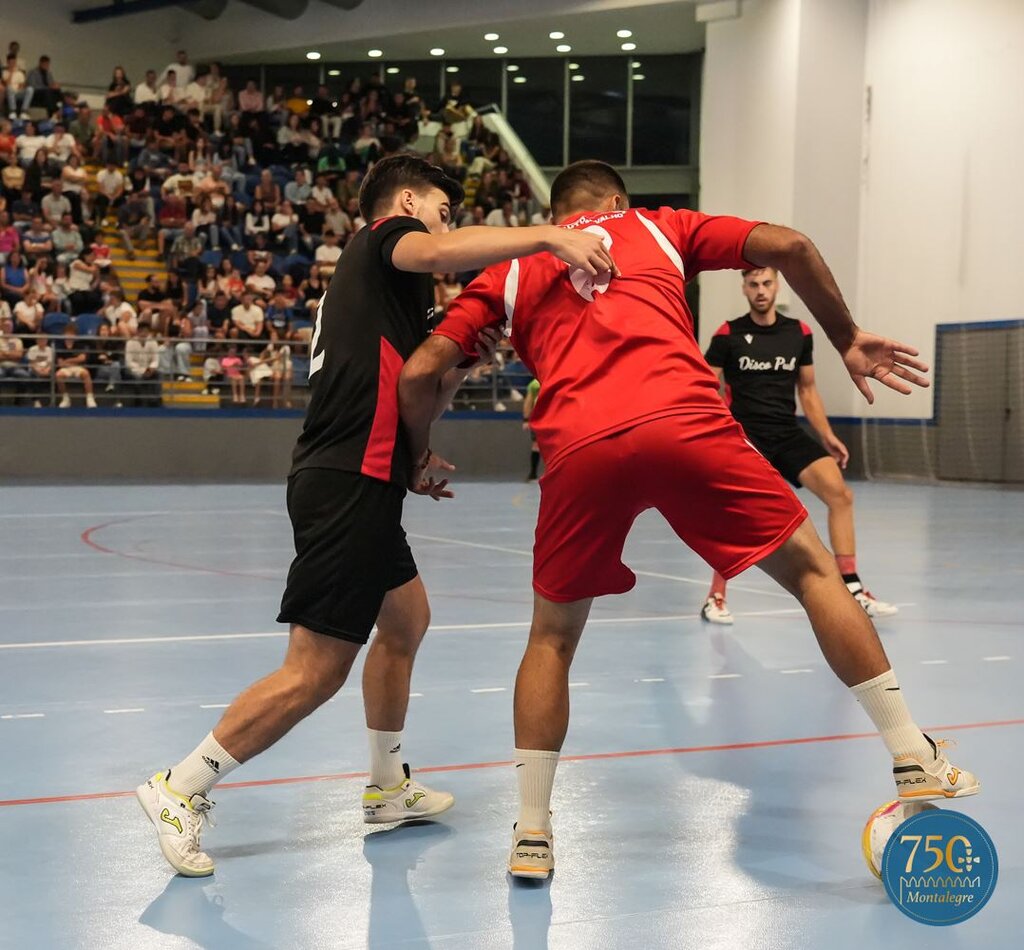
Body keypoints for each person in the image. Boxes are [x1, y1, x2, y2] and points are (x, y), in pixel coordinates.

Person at [397, 160, 980, 880]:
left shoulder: (512, 267)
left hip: (580, 449)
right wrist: (847, 334)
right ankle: (911, 755)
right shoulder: (658, 225)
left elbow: (421, 371)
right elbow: (792, 245)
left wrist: (419, 451)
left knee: (551, 638)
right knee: (811, 571)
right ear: (617, 201)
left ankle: (533, 833)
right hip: (684, 422)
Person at [135, 154, 613, 878]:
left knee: (406, 618)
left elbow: (420, 381)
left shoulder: (397, 293)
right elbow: (444, 249)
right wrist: (548, 235)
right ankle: (180, 787)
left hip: (367, 476)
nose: (446, 227)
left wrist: (432, 428)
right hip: (345, 480)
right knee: (315, 670)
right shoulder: (385, 236)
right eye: (443, 210)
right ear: (409, 201)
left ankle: (387, 787)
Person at [700, 266, 897, 623]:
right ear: (744, 289)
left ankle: (851, 586)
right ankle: (716, 597)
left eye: (767, 283)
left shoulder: (799, 333)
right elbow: (704, 386)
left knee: (840, 495)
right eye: (753, 284)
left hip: (787, 433)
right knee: (737, 514)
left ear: (777, 286)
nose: (761, 290)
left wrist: (827, 436)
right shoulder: (728, 334)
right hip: (745, 435)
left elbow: (807, 390)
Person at [54, 323, 98, 409]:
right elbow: (60, 363)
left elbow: (82, 358)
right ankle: (65, 398)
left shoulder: (80, 345)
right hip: (66, 368)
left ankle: (89, 397)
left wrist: (68, 360)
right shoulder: (60, 346)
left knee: (86, 373)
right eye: (68, 333)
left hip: (78, 367)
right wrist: (74, 360)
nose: (69, 336)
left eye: (72, 334)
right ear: (64, 334)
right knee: (58, 375)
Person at [522, 378, 541, 481]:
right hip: (538, 418)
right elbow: (528, 402)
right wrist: (526, 419)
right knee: (536, 445)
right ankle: (533, 472)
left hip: (554, 417)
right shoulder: (534, 384)